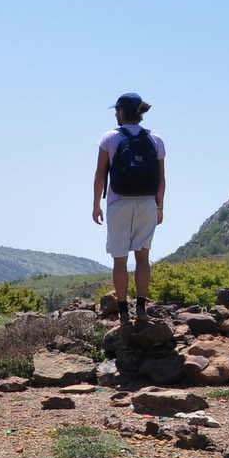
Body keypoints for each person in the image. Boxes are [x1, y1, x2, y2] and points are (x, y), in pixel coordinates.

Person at [92, 92, 165, 321]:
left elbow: (100, 175)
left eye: (117, 110)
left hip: (118, 203)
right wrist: (160, 207)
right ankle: (141, 308)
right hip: (147, 203)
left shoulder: (110, 138)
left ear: (123, 112)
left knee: (120, 259)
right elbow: (162, 179)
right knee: (143, 258)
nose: (115, 113)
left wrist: (96, 205)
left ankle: (123, 311)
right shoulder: (155, 140)